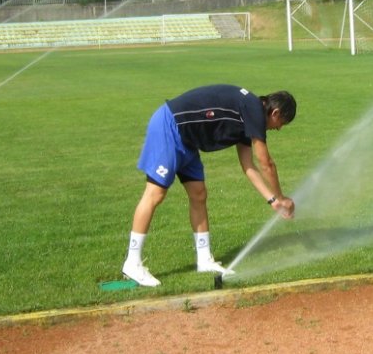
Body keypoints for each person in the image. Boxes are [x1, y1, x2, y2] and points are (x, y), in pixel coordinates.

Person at [122, 84, 297, 286]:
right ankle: (132, 262)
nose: (278, 128)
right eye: (280, 123)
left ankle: (204, 259)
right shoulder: (254, 110)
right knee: (155, 194)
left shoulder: (247, 115)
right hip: (170, 127)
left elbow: (248, 166)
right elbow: (266, 164)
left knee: (199, 194)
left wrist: (273, 201)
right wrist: (281, 198)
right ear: (275, 112)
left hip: (188, 139)